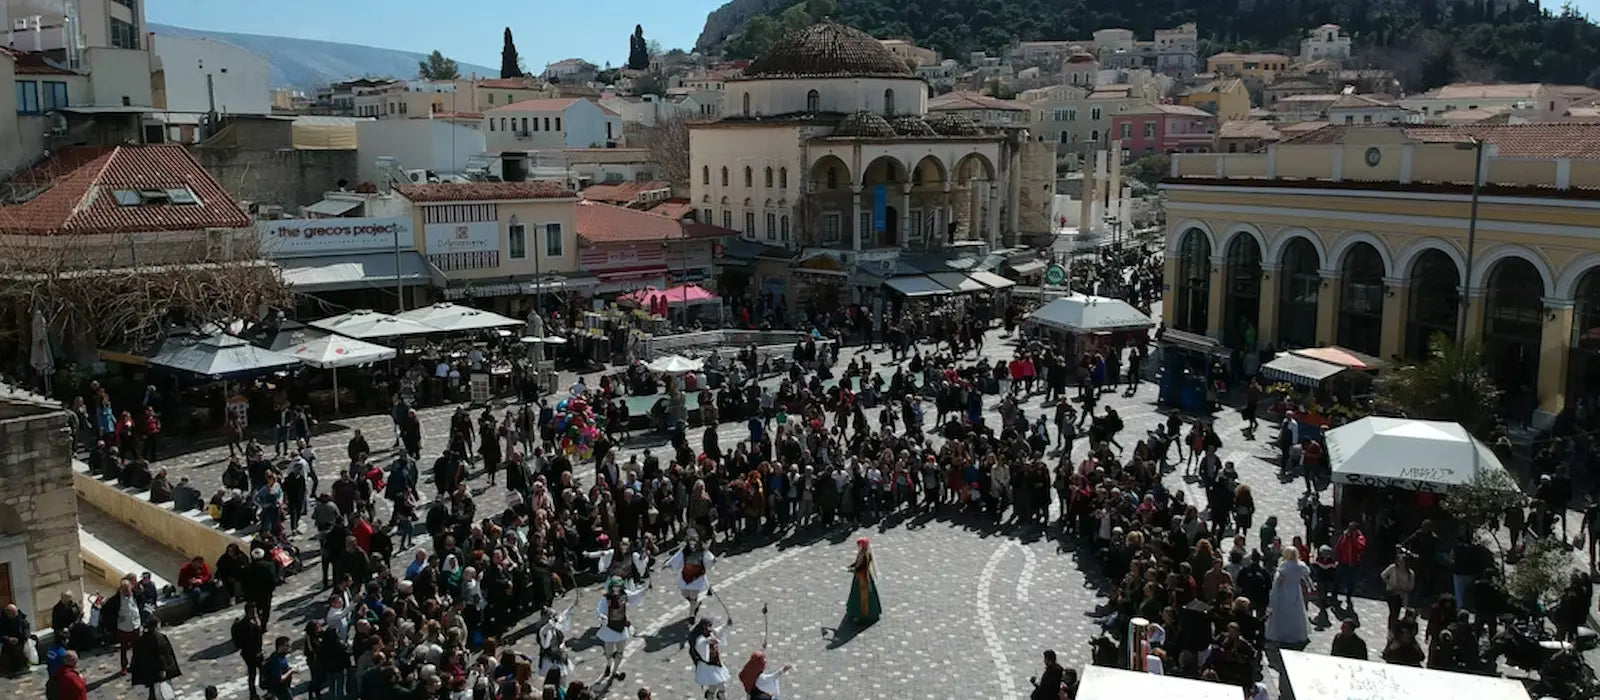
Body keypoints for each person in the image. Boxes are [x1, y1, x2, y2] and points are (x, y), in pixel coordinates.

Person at [595, 576, 648, 682]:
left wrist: (645, 589)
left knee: (620, 652)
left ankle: (615, 671)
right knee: (609, 652)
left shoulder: (625, 595)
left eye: (618, 586)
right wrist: (602, 616)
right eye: (615, 586)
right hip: (609, 628)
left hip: (621, 627)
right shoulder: (606, 598)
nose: (616, 588)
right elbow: (600, 610)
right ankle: (609, 665)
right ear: (611, 587)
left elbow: (635, 596)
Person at [1264, 545, 1311, 649]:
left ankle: (1282, 634)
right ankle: (1296, 634)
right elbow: (1306, 574)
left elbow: (1278, 581)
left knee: (1283, 614)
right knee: (1296, 613)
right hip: (1295, 590)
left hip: (1284, 592)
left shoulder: (1284, 566)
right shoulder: (1300, 565)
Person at [667, 532, 716, 620]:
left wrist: (712, 560)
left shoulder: (703, 551)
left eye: (694, 541)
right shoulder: (684, 551)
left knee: (693, 596)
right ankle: (695, 604)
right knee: (684, 594)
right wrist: (669, 564)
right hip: (686, 575)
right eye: (691, 541)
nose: (692, 543)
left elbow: (709, 559)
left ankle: (691, 615)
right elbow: (676, 558)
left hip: (697, 577)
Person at [129, 619, 181, 700]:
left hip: (148, 670)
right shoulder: (159, 638)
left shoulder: (142, 639)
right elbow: (162, 656)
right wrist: (163, 669)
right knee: (161, 691)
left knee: (154, 690)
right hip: (158, 671)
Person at [689, 617, 733, 700]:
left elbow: (719, 631)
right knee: (720, 684)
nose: (711, 627)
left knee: (716, 681)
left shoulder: (711, 633)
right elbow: (701, 644)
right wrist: (707, 641)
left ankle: (710, 694)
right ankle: (718, 696)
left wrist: (726, 625)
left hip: (716, 663)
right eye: (709, 625)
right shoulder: (700, 638)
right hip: (708, 666)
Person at [231, 605, 265, 700]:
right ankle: (256, 690)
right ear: (248, 612)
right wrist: (257, 626)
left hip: (253, 652)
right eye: (253, 612)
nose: (255, 614)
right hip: (251, 653)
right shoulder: (246, 624)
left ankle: (257, 689)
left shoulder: (251, 621)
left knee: (258, 670)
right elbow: (252, 639)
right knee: (254, 671)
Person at [845, 537, 882, 625]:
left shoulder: (866, 555)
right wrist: (852, 565)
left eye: (860, 545)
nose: (859, 547)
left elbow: (861, 567)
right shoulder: (862, 553)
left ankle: (862, 614)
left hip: (863, 578)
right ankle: (855, 611)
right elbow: (857, 562)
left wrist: (853, 570)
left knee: (863, 596)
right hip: (859, 577)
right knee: (856, 593)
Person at [536, 603, 575, 685]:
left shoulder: (555, 625)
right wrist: (546, 628)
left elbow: (563, 616)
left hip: (560, 656)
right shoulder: (544, 631)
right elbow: (545, 645)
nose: (554, 618)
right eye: (551, 617)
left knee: (563, 679)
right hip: (551, 659)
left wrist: (570, 607)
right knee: (551, 681)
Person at [261, 636, 294, 700]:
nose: (289, 647)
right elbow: (280, 679)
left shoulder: (281, 655)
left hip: (285, 687)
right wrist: (291, 671)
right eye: (287, 645)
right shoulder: (276, 660)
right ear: (280, 646)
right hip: (280, 689)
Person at [0, 604, 28, 678]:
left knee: (19, 649)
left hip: (20, 640)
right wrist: (8, 639)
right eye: (13, 614)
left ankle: (22, 666)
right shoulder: (2, 620)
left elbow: (26, 629)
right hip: (7, 641)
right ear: (8, 613)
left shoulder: (20, 617)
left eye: (16, 613)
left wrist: (22, 638)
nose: (16, 615)